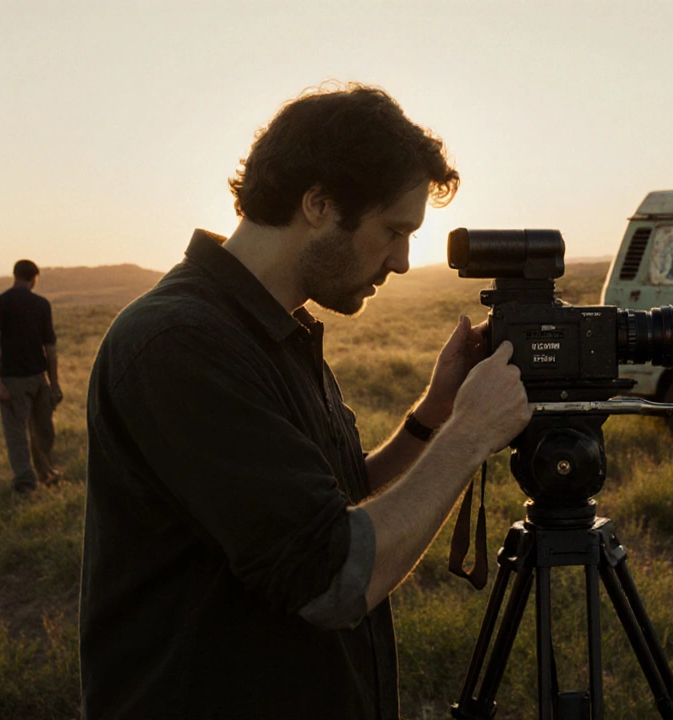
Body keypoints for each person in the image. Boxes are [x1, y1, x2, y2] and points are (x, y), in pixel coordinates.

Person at [79, 83, 532, 719]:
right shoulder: (178, 344)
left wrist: (435, 418)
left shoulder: (272, 330)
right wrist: (470, 437)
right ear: (318, 203)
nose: (404, 261)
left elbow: (328, 506)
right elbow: (329, 576)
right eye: (394, 230)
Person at [0, 259, 62, 494]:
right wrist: (54, 383)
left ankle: (29, 480)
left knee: (17, 432)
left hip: (12, 379)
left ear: (15, 275)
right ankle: (39, 475)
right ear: (34, 278)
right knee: (41, 429)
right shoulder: (41, 305)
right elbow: (51, 350)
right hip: (39, 378)